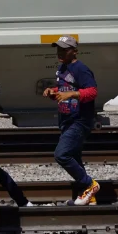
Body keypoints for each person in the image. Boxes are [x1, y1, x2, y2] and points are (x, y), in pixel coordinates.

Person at [42, 36, 99, 205]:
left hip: (79, 120)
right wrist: (53, 92)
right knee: (74, 156)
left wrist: (72, 94)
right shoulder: (62, 68)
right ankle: (88, 196)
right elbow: (64, 91)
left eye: (64, 49)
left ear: (74, 51)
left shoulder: (81, 69)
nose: (60, 52)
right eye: (58, 48)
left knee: (62, 154)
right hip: (67, 120)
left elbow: (92, 92)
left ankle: (91, 185)